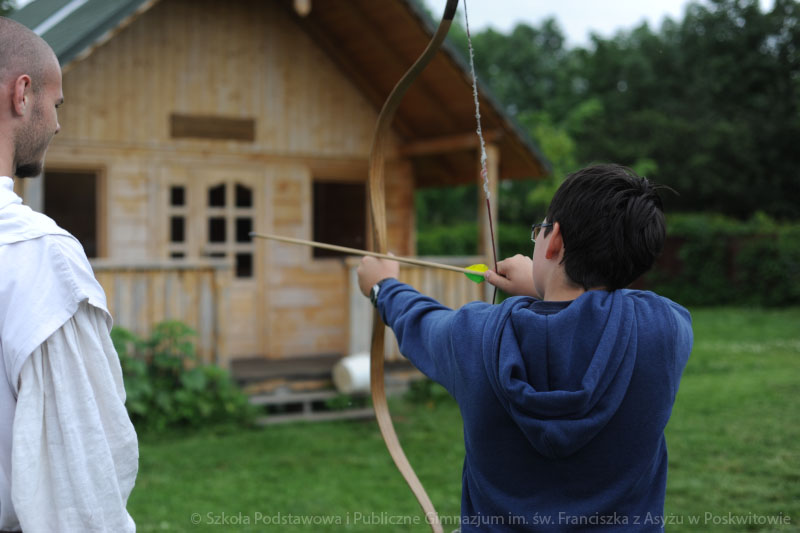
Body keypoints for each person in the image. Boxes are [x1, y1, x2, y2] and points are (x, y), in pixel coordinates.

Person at [357, 164, 693, 531]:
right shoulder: (665, 330)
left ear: (555, 240)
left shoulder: (476, 336)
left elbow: (420, 321)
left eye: (540, 230)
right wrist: (543, 285)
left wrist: (383, 286)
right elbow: (604, 307)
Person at [0, 17, 138, 532]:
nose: (57, 125)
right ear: (22, 94)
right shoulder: (39, 257)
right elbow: (83, 476)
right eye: (55, 104)